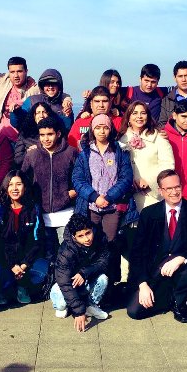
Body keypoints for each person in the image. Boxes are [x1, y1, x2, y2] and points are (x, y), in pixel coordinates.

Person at [126, 169, 187, 323]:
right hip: (156, 273)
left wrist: (182, 258)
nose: (174, 192)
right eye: (168, 188)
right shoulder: (148, 214)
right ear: (160, 191)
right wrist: (143, 284)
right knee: (134, 311)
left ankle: (179, 302)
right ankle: (168, 299)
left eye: (177, 187)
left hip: (184, 271)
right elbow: (138, 252)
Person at [71, 114, 135, 282]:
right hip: (91, 207)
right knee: (91, 243)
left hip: (112, 208)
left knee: (110, 244)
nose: (102, 131)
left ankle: (111, 281)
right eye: (98, 127)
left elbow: (126, 178)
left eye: (105, 127)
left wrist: (110, 196)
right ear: (92, 129)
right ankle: (91, 279)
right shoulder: (85, 152)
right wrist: (93, 196)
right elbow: (78, 179)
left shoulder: (119, 152)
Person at [0, 170, 49, 304]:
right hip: (7, 260)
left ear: (25, 186)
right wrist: (12, 265)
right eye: (10, 184)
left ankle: (22, 287)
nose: (14, 188)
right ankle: (3, 288)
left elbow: (37, 242)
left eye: (18, 184)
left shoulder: (34, 209)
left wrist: (24, 265)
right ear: (6, 188)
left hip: (26, 260)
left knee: (42, 271)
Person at [21, 116, 77, 243]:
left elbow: (80, 177)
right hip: (40, 214)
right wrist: (31, 198)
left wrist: (72, 193)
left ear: (58, 133)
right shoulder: (32, 154)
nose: (46, 139)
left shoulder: (71, 152)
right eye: (42, 135)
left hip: (66, 212)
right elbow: (23, 179)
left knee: (66, 253)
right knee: (47, 255)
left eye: (50, 134)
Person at [50, 213, 110, 331]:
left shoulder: (100, 238)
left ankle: (90, 305)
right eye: (81, 236)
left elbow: (104, 261)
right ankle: (66, 305)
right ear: (74, 237)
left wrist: (84, 272)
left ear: (92, 229)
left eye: (88, 233)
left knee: (103, 279)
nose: (87, 239)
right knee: (61, 303)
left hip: (86, 279)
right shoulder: (66, 251)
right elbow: (64, 281)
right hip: (69, 282)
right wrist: (78, 311)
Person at [118, 101, 175, 212]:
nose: (139, 116)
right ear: (128, 117)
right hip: (128, 198)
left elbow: (168, 165)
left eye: (143, 113)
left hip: (153, 195)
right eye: (135, 113)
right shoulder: (120, 140)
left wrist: (149, 181)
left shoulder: (159, 137)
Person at [67, 86, 123, 151]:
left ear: (110, 103)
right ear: (91, 104)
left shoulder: (119, 122)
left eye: (104, 101)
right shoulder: (80, 123)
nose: (101, 105)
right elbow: (71, 148)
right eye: (97, 101)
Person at [13, 101, 53, 165]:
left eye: (44, 112)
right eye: (38, 113)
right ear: (34, 116)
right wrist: (28, 153)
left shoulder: (56, 132)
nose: (41, 115)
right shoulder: (25, 133)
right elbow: (17, 160)